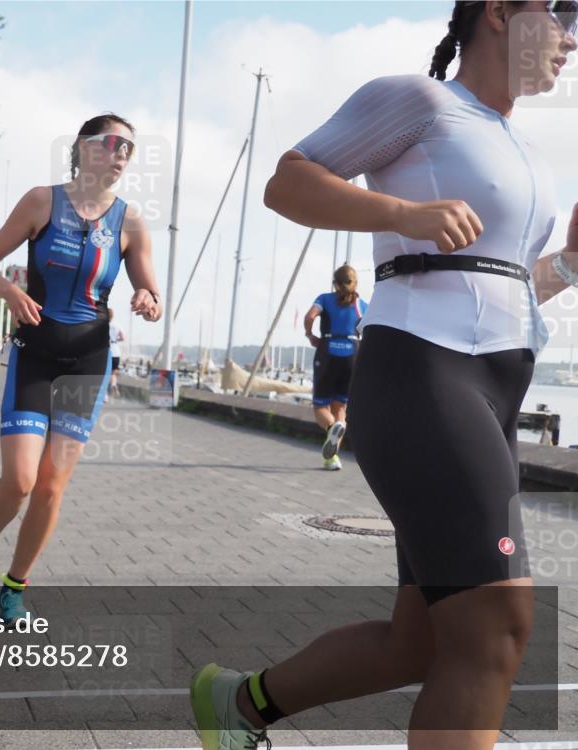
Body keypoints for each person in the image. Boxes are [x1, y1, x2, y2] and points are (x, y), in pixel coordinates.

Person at [191, 3, 577, 749]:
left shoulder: (523, 146)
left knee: (424, 641)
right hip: (424, 377)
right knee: (497, 625)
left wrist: (568, 265)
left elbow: (496, 278)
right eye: (560, 11)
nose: (571, 34)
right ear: (498, 12)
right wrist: (403, 210)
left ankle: (237, 705)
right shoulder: (421, 99)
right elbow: (288, 183)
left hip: (494, 392)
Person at [0, 113, 162, 624]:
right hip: (36, 354)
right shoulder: (42, 201)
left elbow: (150, 287)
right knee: (20, 479)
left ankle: (15, 586)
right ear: (84, 148)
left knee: (50, 485)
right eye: (112, 143)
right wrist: (11, 292)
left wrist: (148, 299)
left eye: (129, 148)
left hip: (87, 360)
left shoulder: (130, 221)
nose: (121, 153)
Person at [303, 265, 368, 471]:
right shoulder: (362, 304)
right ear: (355, 283)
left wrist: (310, 334)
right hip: (352, 353)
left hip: (328, 351)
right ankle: (332, 459)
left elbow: (310, 316)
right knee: (340, 407)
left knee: (320, 406)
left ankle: (332, 428)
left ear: (335, 283)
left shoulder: (324, 299)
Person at [107, 307, 124, 401]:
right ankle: (113, 384)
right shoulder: (117, 325)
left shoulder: (104, 325)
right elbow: (123, 337)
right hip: (116, 351)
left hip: (107, 350)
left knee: (105, 373)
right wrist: (116, 339)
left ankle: (104, 395)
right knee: (114, 372)